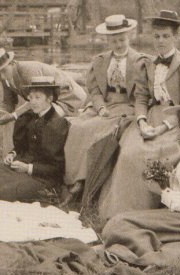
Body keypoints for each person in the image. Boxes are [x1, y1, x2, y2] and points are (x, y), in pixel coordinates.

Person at [92, 10, 180, 222]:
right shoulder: (147, 64)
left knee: (162, 153)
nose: (161, 41)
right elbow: (141, 98)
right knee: (129, 153)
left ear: (175, 37)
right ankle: (122, 212)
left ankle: (156, 208)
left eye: (166, 36)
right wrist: (142, 121)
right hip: (151, 116)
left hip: (176, 120)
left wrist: (163, 127)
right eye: (156, 36)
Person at [101, 104, 180, 267]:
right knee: (121, 222)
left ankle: (148, 256)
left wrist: (163, 191)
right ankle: (149, 248)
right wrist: (166, 179)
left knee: (117, 225)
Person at [60, 14, 148, 198]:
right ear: (108, 40)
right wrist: (100, 107)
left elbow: (141, 95)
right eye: (114, 40)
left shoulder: (140, 62)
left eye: (122, 39)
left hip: (126, 105)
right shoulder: (100, 61)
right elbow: (95, 91)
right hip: (104, 104)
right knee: (75, 126)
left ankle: (82, 180)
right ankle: (68, 177)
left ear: (129, 36)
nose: (119, 44)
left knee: (93, 128)